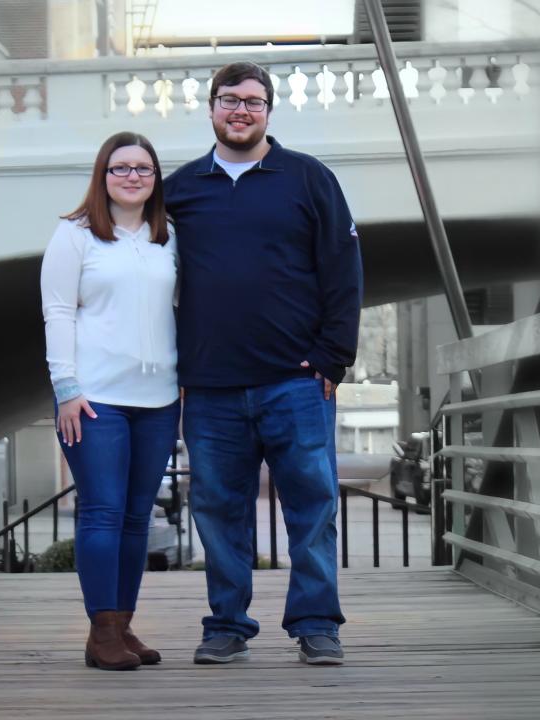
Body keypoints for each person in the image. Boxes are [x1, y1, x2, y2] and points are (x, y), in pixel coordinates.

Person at [164, 62, 363, 666]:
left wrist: (334, 357)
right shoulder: (178, 190)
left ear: (269, 110)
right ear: (211, 109)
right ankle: (226, 624)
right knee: (218, 512)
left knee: (313, 506)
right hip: (211, 387)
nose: (241, 111)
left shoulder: (308, 179)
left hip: (296, 382)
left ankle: (315, 624)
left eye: (253, 101)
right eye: (229, 100)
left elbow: (343, 270)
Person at [41, 132, 179, 671]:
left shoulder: (169, 236)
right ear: (103, 176)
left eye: (143, 168)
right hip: (95, 399)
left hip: (160, 399)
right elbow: (58, 312)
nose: (132, 176)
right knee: (102, 512)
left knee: (137, 518)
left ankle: (121, 625)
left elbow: (180, 308)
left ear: (154, 178)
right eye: (120, 168)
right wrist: (66, 389)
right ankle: (101, 632)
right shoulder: (75, 235)